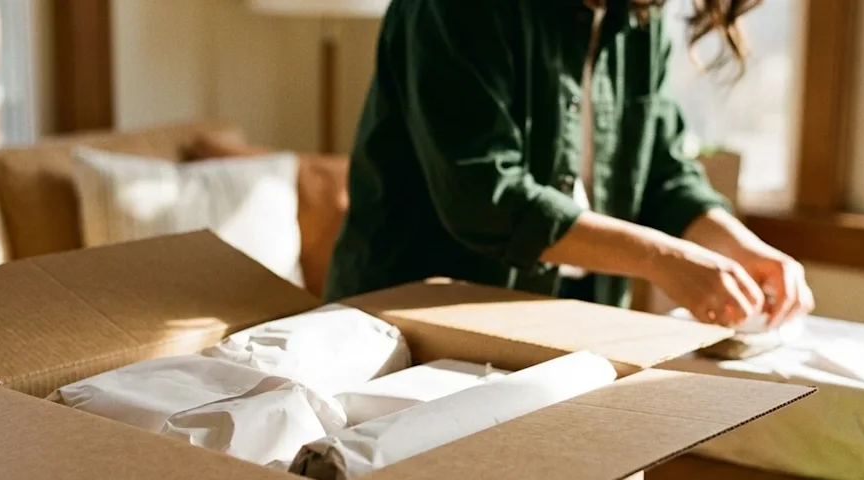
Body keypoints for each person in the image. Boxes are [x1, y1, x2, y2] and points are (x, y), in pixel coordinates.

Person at [325, 0, 814, 328]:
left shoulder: (640, 19)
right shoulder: (457, 9)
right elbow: (486, 196)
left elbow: (661, 172)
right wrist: (659, 259)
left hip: (565, 334)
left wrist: (741, 248)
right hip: (404, 330)